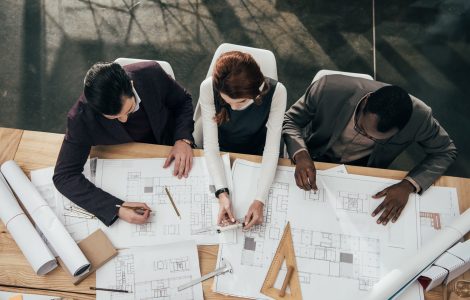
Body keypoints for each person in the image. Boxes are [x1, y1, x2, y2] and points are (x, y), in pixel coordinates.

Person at [282, 74, 457, 225]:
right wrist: (301, 154)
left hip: (363, 171)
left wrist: (408, 185)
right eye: (361, 128)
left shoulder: (419, 118)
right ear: (365, 102)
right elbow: (290, 120)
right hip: (313, 157)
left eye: (375, 139)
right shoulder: (328, 88)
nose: (365, 138)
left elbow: (445, 151)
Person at [53, 61, 195, 227]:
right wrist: (117, 208)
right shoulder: (81, 118)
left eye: (130, 109)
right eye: (113, 117)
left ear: (131, 85)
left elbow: (183, 101)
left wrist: (182, 139)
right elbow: (64, 176)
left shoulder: (151, 74)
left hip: (169, 146)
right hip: (126, 162)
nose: (125, 119)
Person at [195, 51, 287, 230]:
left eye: (242, 101)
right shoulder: (208, 87)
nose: (234, 108)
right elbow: (211, 147)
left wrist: (260, 199)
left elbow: (271, 150)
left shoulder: (278, 92)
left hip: (256, 150)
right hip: (222, 149)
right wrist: (222, 193)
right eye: (227, 101)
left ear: (258, 89)